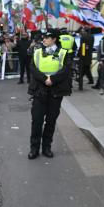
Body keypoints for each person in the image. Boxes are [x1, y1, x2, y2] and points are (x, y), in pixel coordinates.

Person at [27, 29, 72, 159]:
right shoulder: (37, 52)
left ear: (54, 39)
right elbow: (33, 68)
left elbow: (65, 70)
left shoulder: (63, 53)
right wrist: (44, 79)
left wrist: (52, 80)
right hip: (40, 90)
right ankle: (34, 148)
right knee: (37, 121)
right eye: (43, 37)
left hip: (55, 91)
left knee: (51, 121)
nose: (44, 40)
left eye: (47, 37)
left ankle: (47, 147)